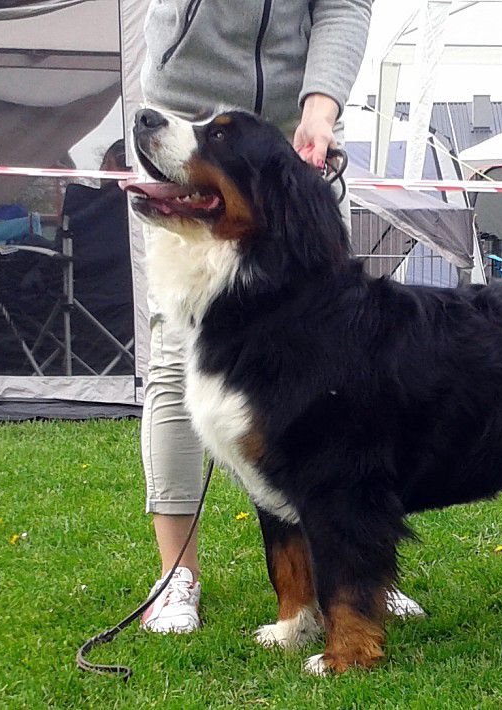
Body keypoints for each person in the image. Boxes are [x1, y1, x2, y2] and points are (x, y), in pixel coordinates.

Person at [136, 0, 426, 634]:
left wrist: (321, 104)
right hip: (192, 104)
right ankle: (176, 571)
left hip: (300, 123)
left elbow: (343, 7)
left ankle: (354, 568)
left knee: (338, 379)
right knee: (174, 360)